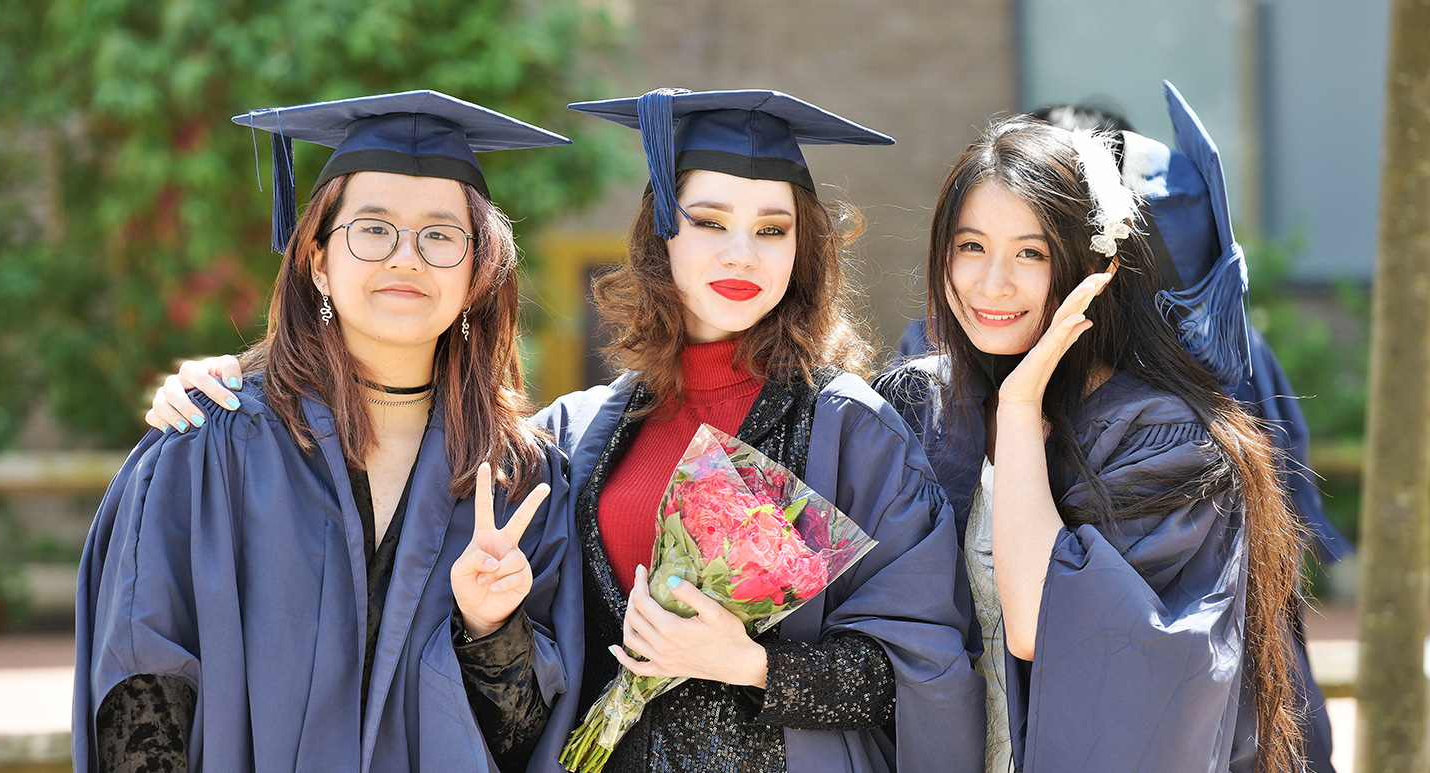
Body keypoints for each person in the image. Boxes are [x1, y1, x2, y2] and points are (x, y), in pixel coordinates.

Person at [146, 87, 987, 773]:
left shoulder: (849, 429)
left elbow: (926, 671)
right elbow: (524, 690)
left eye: (774, 230)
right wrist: (241, 377)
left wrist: (756, 663)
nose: (743, 253)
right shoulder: (580, 432)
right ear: (661, 230)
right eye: (710, 220)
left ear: (804, 252)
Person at [75, 91, 582, 773]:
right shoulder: (210, 444)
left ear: (477, 273)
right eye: (372, 228)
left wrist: (490, 631)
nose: (407, 257)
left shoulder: (522, 479)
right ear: (317, 259)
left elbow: (532, 741)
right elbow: (142, 683)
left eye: (440, 235)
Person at [874, 88, 1307, 772]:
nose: (992, 283)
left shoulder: (1165, 437)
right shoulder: (916, 405)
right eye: (971, 247)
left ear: (1088, 267)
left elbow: (1042, 628)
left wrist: (1019, 413)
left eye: (1031, 254)